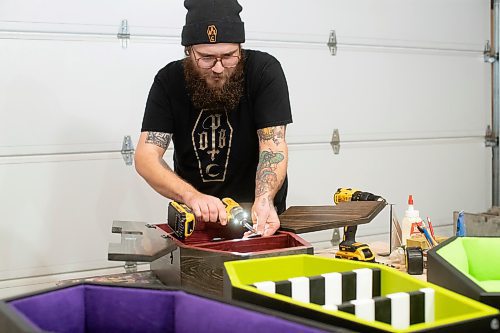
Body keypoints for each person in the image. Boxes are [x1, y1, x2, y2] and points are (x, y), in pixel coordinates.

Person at [135, 0, 292, 237]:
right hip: (198, 223)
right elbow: (146, 157)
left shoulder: (264, 71)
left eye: (229, 56)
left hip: (259, 223)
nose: (218, 68)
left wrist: (265, 198)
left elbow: (272, 145)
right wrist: (191, 196)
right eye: (206, 58)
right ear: (189, 51)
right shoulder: (168, 81)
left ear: (240, 47)